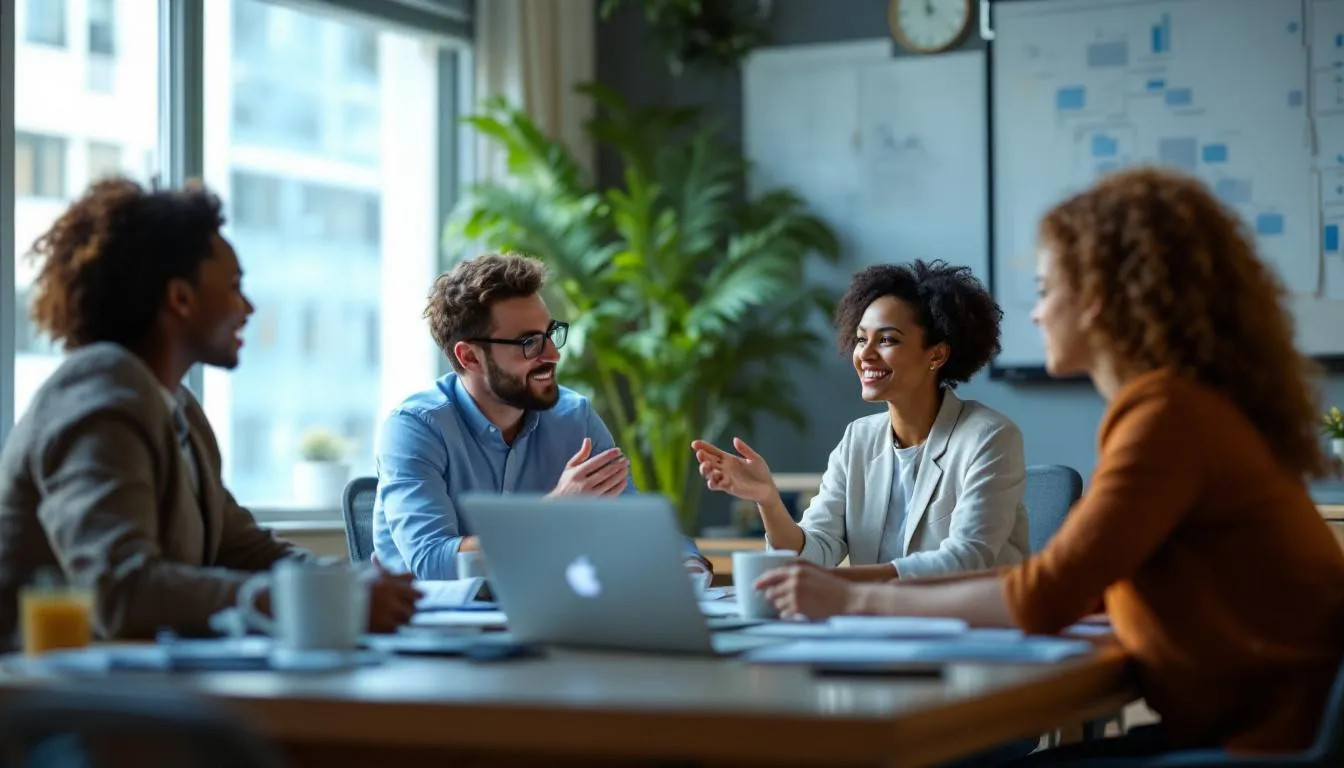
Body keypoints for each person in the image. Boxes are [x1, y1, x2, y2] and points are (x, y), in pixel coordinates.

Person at [757, 167, 1344, 760]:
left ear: (1097, 299)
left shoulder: (1167, 418)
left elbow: (1043, 593)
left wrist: (852, 600)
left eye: (1044, 290)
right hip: (1254, 726)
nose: (1036, 314)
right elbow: (1076, 584)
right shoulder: (1180, 408)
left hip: (1265, 743)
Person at [0, 178, 421, 648]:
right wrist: (316, 601)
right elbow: (121, 590)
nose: (249, 308)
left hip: (134, 680)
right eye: (235, 287)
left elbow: (241, 547)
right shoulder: (100, 393)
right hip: (47, 685)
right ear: (181, 299)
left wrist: (343, 582)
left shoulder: (176, 405)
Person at [372, 252, 710, 580]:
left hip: (551, 609)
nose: (553, 354)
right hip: (435, 618)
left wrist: (687, 566)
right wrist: (552, 512)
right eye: (529, 343)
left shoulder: (574, 418)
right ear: (470, 357)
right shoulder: (415, 427)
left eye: (549, 334)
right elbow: (433, 562)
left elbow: (635, 527)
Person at [692, 260, 1029, 581]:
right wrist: (767, 499)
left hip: (968, 618)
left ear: (937, 354)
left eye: (887, 340)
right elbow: (814, 552)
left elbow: (965, 559)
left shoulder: (989, 437)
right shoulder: (859, 440)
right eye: (861, 338)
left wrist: (845, 583)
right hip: (872, 616)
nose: (865, 354)